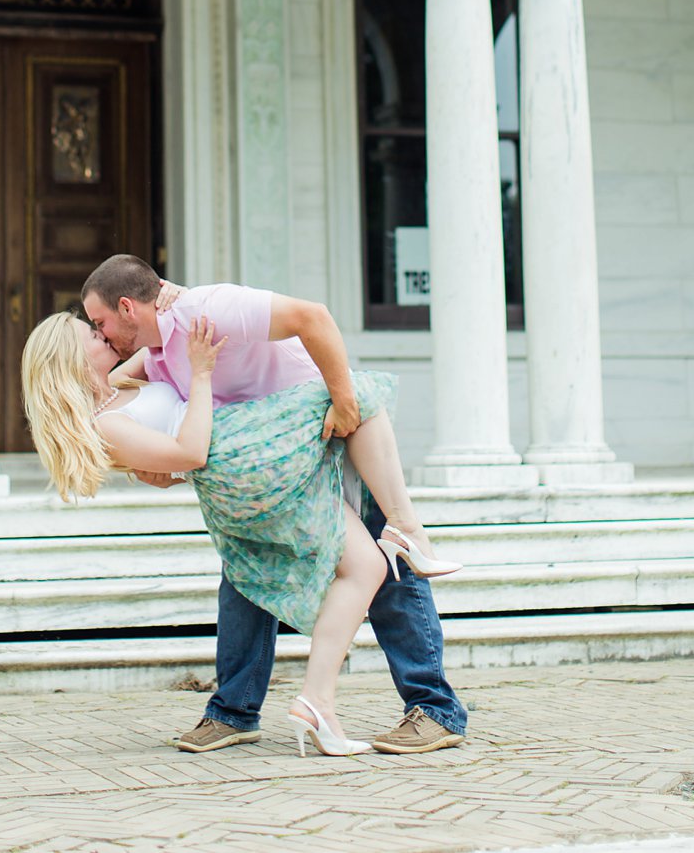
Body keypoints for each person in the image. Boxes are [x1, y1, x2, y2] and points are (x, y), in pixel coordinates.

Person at [23, 256, 461, 756]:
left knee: (341, 563)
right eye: (93, 333)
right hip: (258, 453)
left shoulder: (181, 328)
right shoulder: (138, 372)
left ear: (127, 307)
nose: (100, 335)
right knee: (289, 569)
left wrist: (342, 404)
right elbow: (167, 445)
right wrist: (172, 432)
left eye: (99, 325)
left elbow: (306, 318)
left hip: (306, 430)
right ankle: (255, 706)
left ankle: (422, 706)